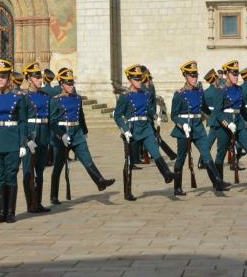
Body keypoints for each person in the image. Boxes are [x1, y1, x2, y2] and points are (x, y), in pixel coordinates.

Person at [48, 68, 115, 205]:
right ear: (62, 84)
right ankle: (53, 195)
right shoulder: (55, 100)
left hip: (77, 132)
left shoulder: (77, 99)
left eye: (72, 83)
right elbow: (52, 122)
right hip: (62, 133)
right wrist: (61, 135)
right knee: (58, 166)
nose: (71, 86)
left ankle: (100, 181)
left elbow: (81, 116)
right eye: (68, 83)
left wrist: (84, 131)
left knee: (87, 159)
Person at [114, 64, 175, 200]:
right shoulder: (125, 97)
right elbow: (117, 116)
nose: (139, 82)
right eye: (136, 79)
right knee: (129, 160)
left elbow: (148, 110)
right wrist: (125, 130)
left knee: (155, 151)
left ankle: (167, 174)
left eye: (140, 79)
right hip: (132, 129)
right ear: (130, 80)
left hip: (146, 127)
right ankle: (127, 191)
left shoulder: (146, 94)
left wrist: (156, 116)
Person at [170, 61, 231, 194]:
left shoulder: (199, 92)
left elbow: (204, 108)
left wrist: (215, 116)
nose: (194, 78)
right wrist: (182, 124)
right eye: (192, 76)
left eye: (196, 75)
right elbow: (173, 116)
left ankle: (217, 180)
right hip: (183, 130)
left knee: (206, 153)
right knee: (181, 157)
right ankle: (177, 187)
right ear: (185, 76)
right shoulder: (179, 94)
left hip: (198, 127)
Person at [0, 59, 27, 223]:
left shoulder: (18, 97)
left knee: (11, 175)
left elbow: (22, 121)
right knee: (0, 176)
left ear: (9, 79)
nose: (0, 80)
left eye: (3, 77)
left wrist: (22, 143)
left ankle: (10, 212)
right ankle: (1, 212)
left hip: (12, 140)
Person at [22, 61, 51, 213]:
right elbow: (22, 121)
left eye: (40, 77)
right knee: (28, 170)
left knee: (40, 170)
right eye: (36, 77)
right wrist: (27, 139)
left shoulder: (46, 96)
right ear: (29, 79)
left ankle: (38, 202)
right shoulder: (24, 98)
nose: (40, 80)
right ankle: (30, 204)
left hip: (43, 136)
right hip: (31, 137)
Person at [197, 69, 222, 170]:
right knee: (209, 142)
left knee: (209, 142)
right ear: (215, 79)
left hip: (211, 119)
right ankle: (201, 161)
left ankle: (201, 162)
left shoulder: (206, 92)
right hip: (218, 120)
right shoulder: (218, 91)